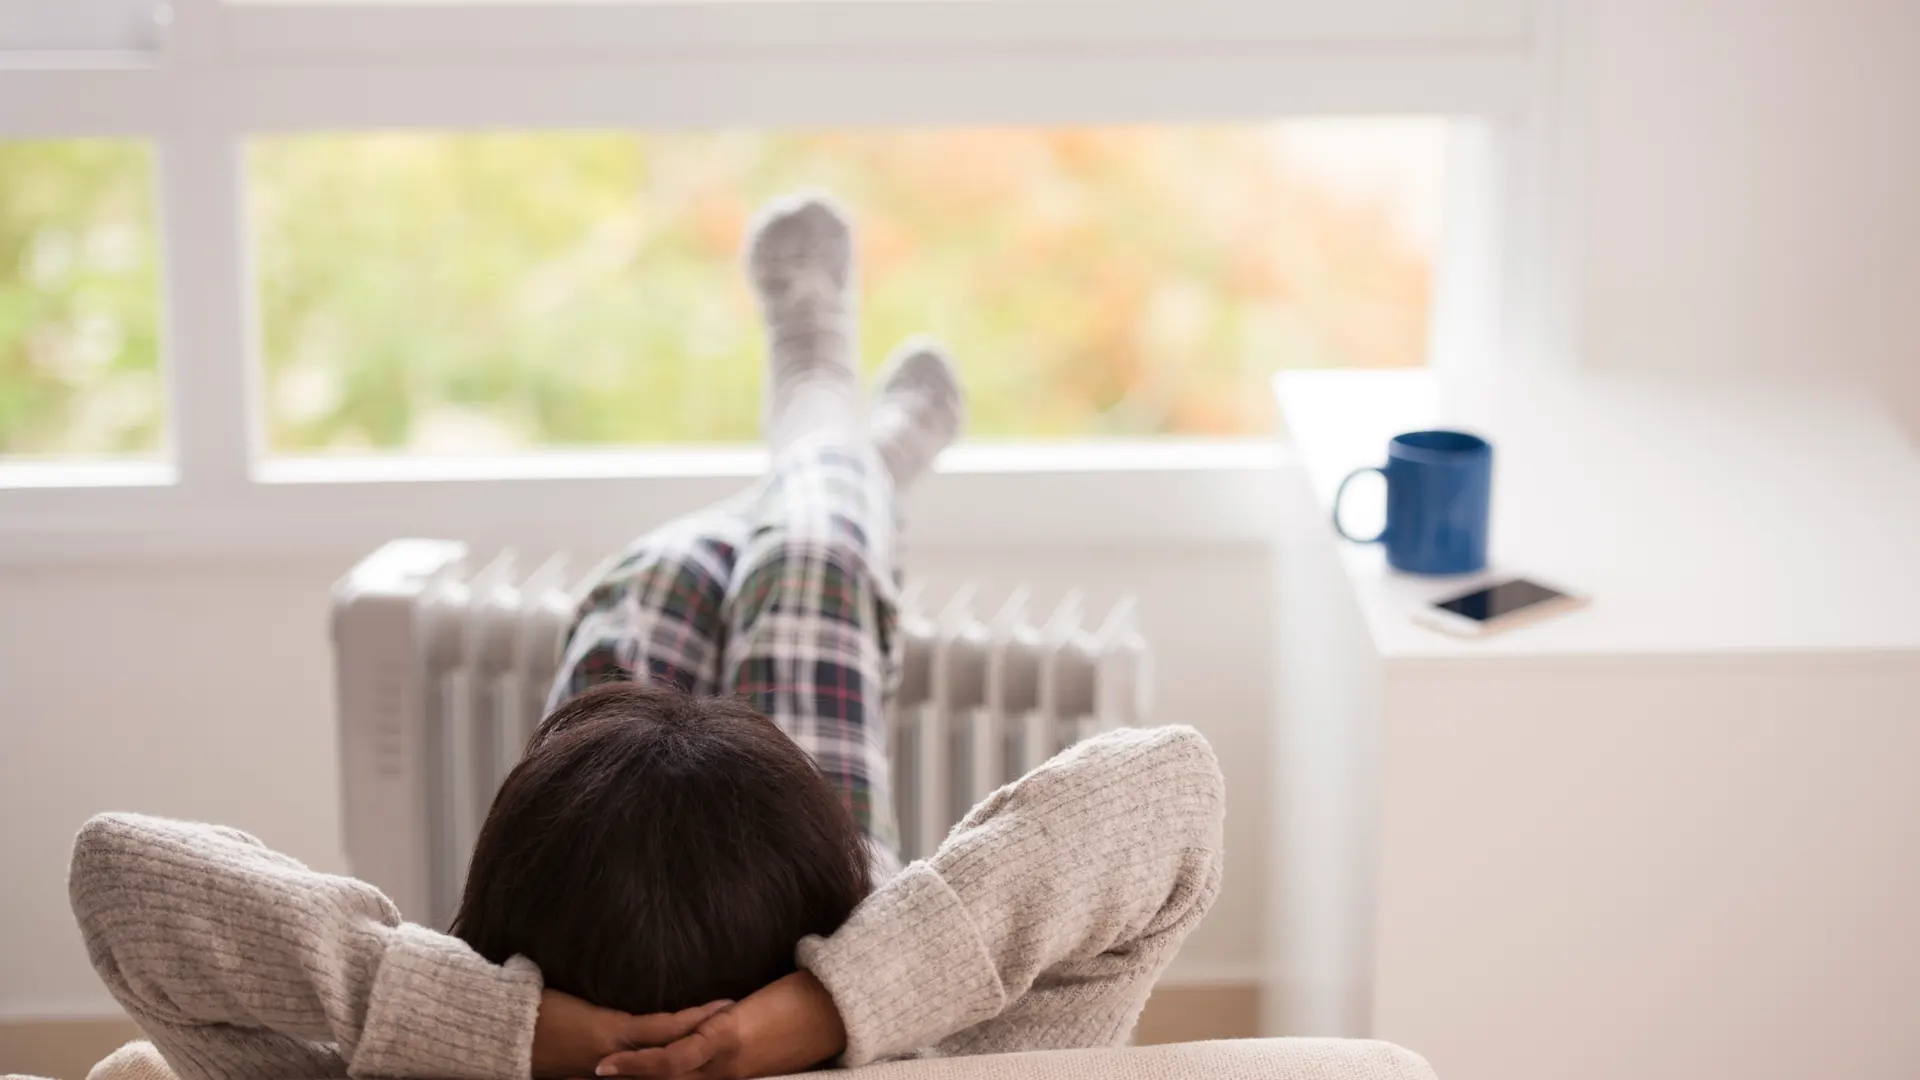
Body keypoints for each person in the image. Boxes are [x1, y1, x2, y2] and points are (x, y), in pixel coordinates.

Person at [65, 194, 1225, 1080]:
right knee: (808, 563)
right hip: (808, 951)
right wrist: (830, 1007)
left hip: (610, 920)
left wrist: (511, 1033)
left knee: (653, 589)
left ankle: (842, 446)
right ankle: (828, 422)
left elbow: (124, 876)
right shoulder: (938, 1066)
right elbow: (1172, 788)